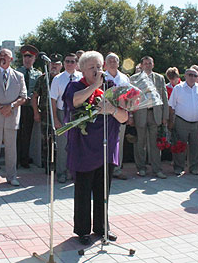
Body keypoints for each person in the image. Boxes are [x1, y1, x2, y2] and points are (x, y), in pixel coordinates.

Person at [63, 51, 128, 245]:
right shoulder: (75, 86)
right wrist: (95, 86)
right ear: (82, 69)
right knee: (83, 190)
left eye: (99, 67)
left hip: (106, 147)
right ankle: (82, 230)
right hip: (84, 148)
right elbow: (74, 102)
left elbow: (124, 118)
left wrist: (113, 110)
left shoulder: (112, 87)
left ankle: (101, 227)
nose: (97, 70)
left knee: (103, 191)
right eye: (92, 67)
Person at [0, 49, 27, 188]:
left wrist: (11, 106)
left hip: (11, 116)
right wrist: (1, 108)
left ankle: (11, 176)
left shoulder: (19, 75)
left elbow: (23, 96)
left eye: (5, 55)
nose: (2, 57)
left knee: (11, 149)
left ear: (11, 59)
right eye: (0, 55)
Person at [129, 56, 169, 179]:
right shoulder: (134, 79)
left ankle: (157, 169)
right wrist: (130, 115)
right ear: (141, 65)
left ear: (153, 64)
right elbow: (130, 98)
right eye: (145, 63)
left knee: (155, 144)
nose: (147, 65)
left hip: (155, 114)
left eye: (149, 63)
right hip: (140, 114)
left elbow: (164, 97)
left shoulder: (159, 78)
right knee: (140, 143)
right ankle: (141, 168)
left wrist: (165, 116)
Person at [168, 67, 198, 175]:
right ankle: (178, 167)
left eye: (195, 75)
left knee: (195, 146)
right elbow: (171, 106)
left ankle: (194, 167)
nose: (192, 77)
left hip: (197, 122)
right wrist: (171, 121)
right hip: (181, 121)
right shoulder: (178, 88)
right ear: (185, 76)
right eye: (190, 75)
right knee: (180, 145)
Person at [50, 53, 82, 183]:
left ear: (77, 63)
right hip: (62, 113)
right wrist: (56, 119)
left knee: (77, 144)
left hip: (78, 113)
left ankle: (74, 171)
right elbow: (53, 100)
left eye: (72, 61)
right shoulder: (58, 79)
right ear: (63, 63)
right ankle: (61, 173)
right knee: (63, 145)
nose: (69, 64)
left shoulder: (82, 77)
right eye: (67, 61)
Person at [31, 56, 62, 171]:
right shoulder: (42, 79)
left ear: (61, 66)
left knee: (60, 140)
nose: (54, 66)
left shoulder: (63, 78)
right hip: (46, 114)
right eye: (52, 64)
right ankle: (48, 165)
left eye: (57, 64)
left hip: (61, 113)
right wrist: (36, 113)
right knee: (47, 140)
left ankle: (60, 164)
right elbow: (34, 97)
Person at [104, 52, 130, 180]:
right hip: (104, 114)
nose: (113, 63)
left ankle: (117, 169)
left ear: (119, 63)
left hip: (121, 113)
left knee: (118, 141)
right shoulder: (101, 77)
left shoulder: (124, 78)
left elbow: (130, 95)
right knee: (103, 140)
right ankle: (103, 168)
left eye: (115, 61)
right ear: (105, 63)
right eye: (110, 61)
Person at [16, 45, 42, 168]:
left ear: (34, 59)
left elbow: (39, 90)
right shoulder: (16, 72)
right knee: (16, 133)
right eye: (25, 57)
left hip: (30, 107)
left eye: (30, 57)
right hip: (17, 106)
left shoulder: (38, 74)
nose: (27, 60)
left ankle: (24, 158)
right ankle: (14, 159)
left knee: (27, 134)